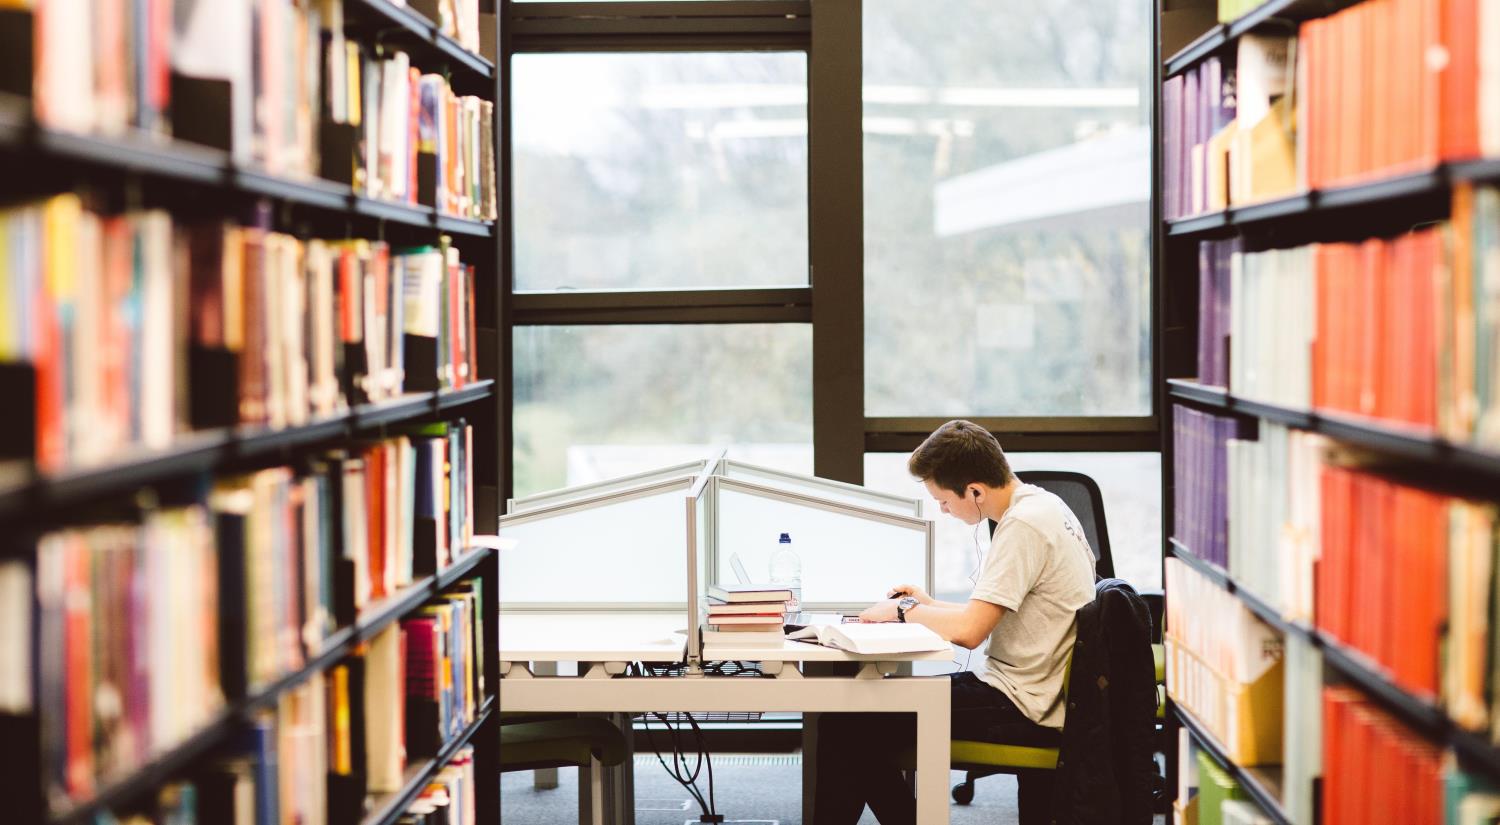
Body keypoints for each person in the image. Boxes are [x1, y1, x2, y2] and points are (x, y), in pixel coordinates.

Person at [812, 420, 1097, 825]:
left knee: (847, 729)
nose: (943, 511)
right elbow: (982, 614)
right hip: (1033, 689)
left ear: (975, 490)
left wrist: (901, 612)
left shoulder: (1023, 527)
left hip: (1020, 702)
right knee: (854, 724)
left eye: (944, 501)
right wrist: (928, 605)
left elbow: (969, 632)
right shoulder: (1043, 505)